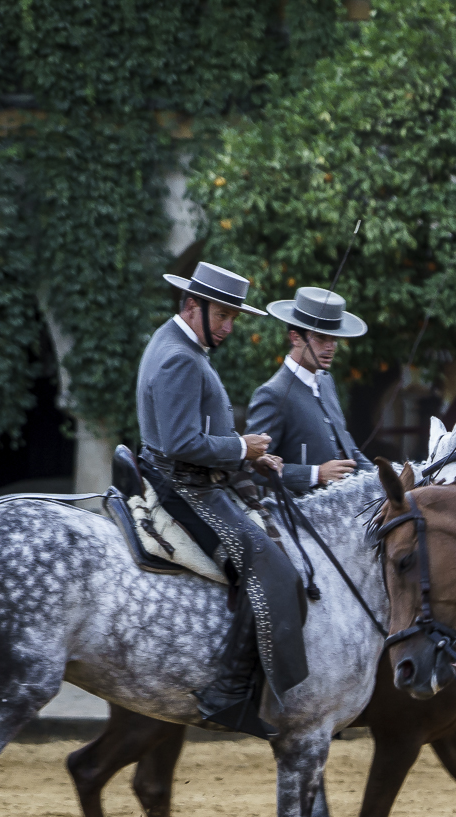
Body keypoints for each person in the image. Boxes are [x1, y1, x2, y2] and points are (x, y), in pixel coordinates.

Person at [139, 261, 307, 736]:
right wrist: (241, 447)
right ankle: (228, 695)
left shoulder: (180, 345)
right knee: (270, 565)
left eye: (234, 317)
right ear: (193, 306)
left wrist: (247, 458)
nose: (229, 327)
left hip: (200, 478)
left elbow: (198, 430)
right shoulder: (179, 357)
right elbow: (180, 441)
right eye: (223, 315)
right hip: (186, 489)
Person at [246, 286, 374, 495]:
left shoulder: (326, 381)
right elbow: (254, 468)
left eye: (334, 339)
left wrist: (385, 481)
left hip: (340, 511)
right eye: (320, 338)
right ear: (295, 338)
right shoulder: (272, 393)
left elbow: (350, 450)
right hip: (296, 517)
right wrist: (316, 474)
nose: (330, 346)